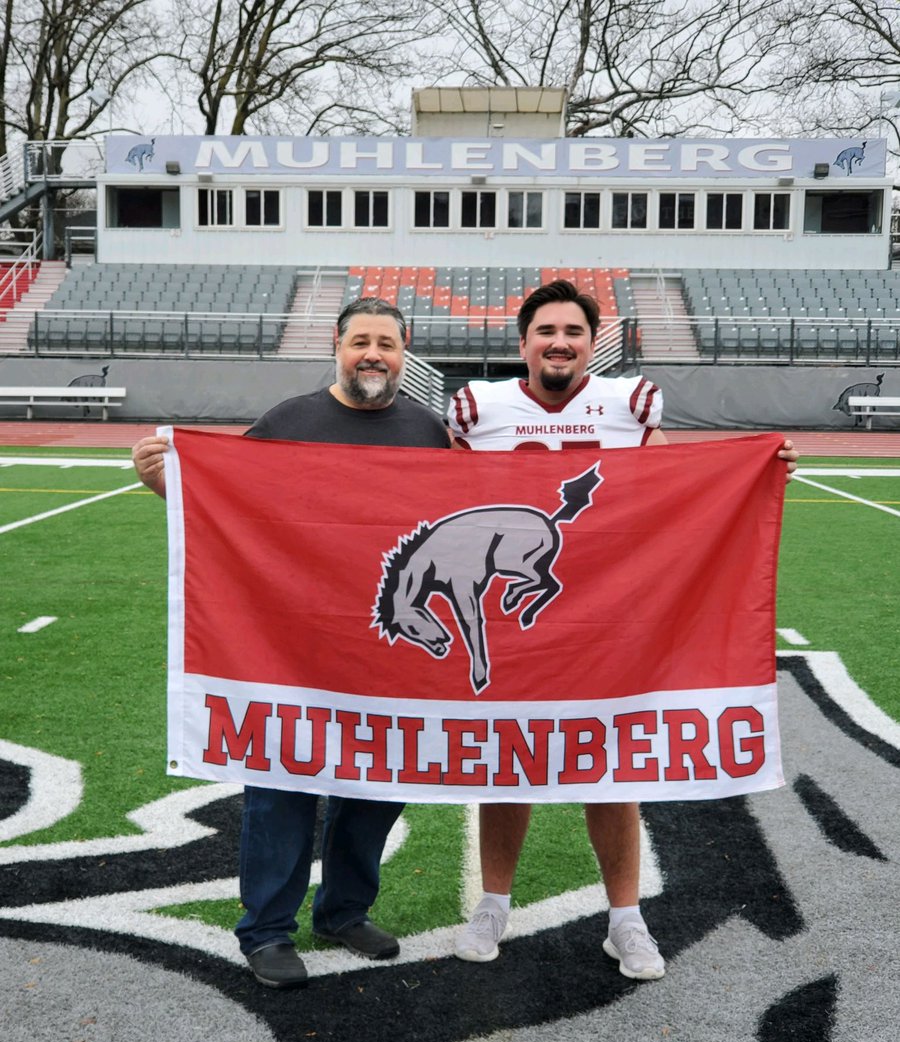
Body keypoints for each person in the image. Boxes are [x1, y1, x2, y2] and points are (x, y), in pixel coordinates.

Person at [449, 278, 799, 979]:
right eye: (546, 331)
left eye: (573, 332)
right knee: (506, 761)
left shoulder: (627, 404)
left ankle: (625, 919)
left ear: (592, 343)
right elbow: (433, 498)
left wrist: (756, 476)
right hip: (515, 615)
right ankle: (493, 903)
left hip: (608, 615)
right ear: (523, 343)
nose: (559, 343)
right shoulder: (477, 410)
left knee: (610, 765)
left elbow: (680, 486)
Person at [132, 297, 451, 989]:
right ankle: (267, 930)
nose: (373, 354)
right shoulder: (286, 423)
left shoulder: (429, 432)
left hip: (385, 652)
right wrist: (168, 487)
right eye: (360, 341)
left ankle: (343, 912)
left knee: (377, 786)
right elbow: (228, 508)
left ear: (405, 351)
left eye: (387, 343)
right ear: (337, 346)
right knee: (281, 785)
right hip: (290, 647)